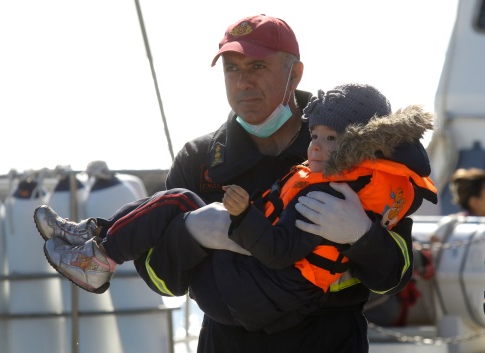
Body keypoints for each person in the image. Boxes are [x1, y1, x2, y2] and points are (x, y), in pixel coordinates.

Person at [41, 14, 431, 353]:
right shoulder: (198, 158)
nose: (243, 82)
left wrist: (361, 234)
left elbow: (393, 276)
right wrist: (190, 234)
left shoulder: (352, 154)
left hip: (328, 340)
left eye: (257, 67)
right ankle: (95, 235)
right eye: (232, 68)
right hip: (226, 341)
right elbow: (161, 280)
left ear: (294, 74)